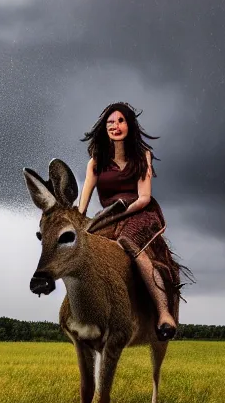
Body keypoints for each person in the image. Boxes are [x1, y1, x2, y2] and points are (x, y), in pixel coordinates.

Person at [77, 102, 191, 341]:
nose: (114, 127)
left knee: (128, 241)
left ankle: (163, 314)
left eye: (120, 121)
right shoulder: (96, 161)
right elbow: (84, 200)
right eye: (110, 123)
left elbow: (143, 198)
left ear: (129, 124)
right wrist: (80, 219)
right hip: (109, 213)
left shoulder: (142, 156)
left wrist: (120, 214)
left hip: (141, 212)